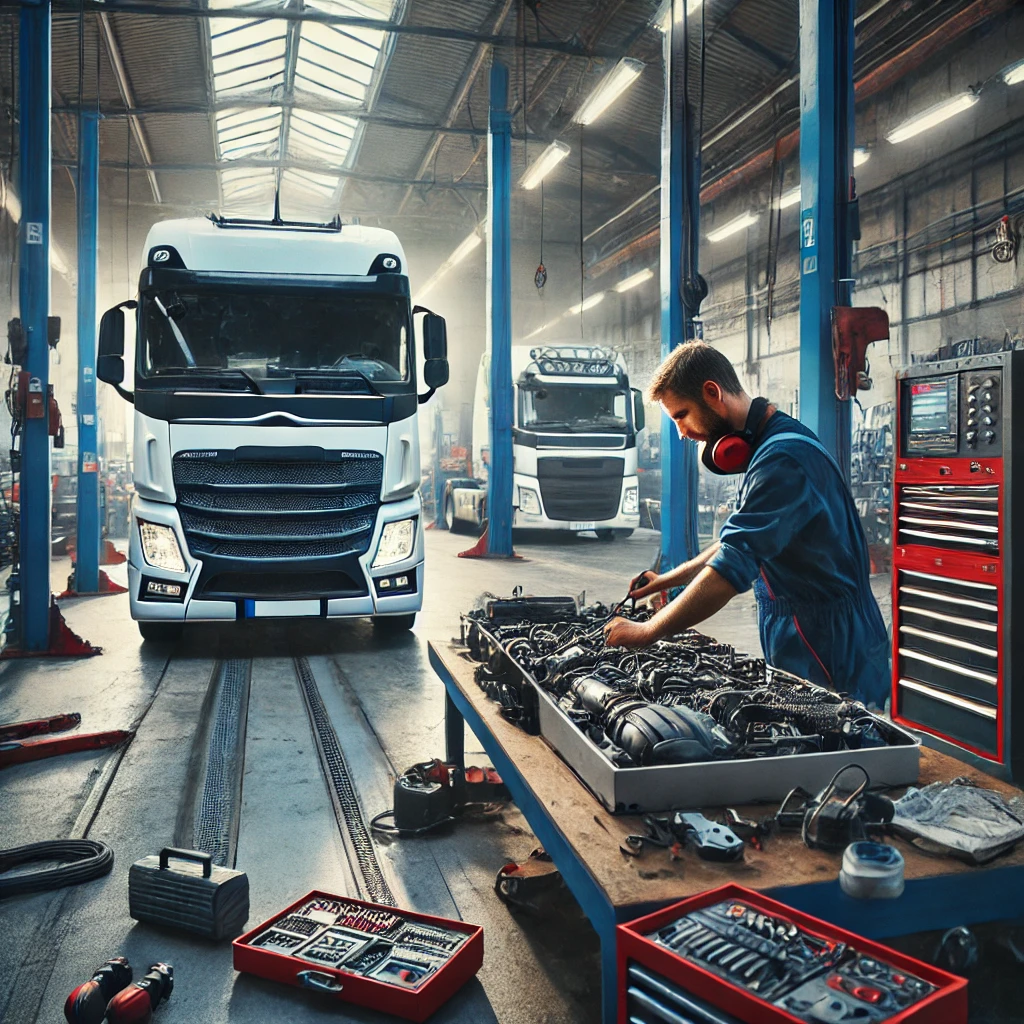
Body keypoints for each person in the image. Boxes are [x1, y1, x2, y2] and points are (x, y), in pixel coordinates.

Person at [603, 341, 889, 708]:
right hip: (804, 631)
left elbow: (732, 569)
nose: (682, 433)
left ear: (712, 393)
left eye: (681, 415)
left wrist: (648, 631)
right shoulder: (773, 442)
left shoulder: (782, 460)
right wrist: (667, 580)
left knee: (838, 745)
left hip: (827, 640)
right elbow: (733, 542)